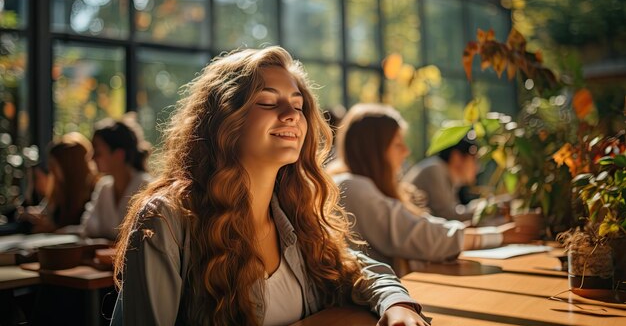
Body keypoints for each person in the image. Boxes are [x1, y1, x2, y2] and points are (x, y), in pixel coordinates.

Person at [111, 47, 429, 326]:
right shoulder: (166, 218)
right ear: (224, 119)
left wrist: (397, 303)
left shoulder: (295, 209)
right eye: (266, 102)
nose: (291, 115)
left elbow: (360, 270)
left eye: (298, 104)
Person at [328, 103, 540, 272]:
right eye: (398, 144)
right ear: (374, 150)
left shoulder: (361, 185)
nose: (407, 152)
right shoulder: (351, 187)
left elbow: (420, 225)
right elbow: (419, 234)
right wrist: (498, 235)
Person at [80, 115, 152, 241]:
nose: (91, 159)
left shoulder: (146, 188)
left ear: (119, 154)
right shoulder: (104, 187)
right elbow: (88, 228)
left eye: (98, 153)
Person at [18, 132, 98, 233]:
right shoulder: (58, 189)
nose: (50, 169)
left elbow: (88, 229)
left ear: (69, 166)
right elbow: (45, 212)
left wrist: (53, 229)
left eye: (54, 165)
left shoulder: (94, 191)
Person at [403, 134, 482, 222]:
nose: (478, 167)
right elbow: (447, 216)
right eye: (474, 160)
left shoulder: (443, 173)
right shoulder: (435, 170)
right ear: (456, 157)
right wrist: (483, 211)